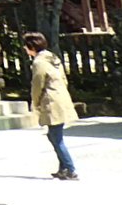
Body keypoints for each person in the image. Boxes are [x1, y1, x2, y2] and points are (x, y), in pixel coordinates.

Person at [24, 31, 80, 180]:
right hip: (61, 98)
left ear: (31, 47)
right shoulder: (53, 58)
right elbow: (64, 79)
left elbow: (37, 84)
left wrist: (34, 103)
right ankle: (63, 168)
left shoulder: (38, 62)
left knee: (56, 137)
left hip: (51, 102)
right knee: (54, 135)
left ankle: (70, 168)